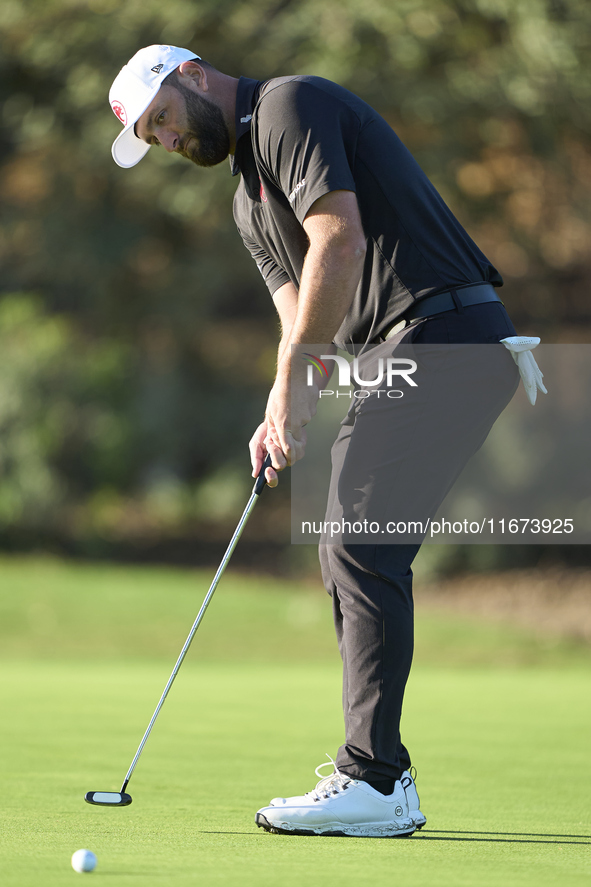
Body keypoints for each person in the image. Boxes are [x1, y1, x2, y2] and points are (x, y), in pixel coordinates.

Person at [108, 44, 540, 838]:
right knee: (348, 540)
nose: (167, 141)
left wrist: (291, 379)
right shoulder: (246, 207)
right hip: (401, 356)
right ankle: (378, 775)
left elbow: (336, 239)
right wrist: (282, 411)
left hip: (445, 331)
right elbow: (302, 327)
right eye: (153, 138)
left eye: (162, 118)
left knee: (356, 540)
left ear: (192, 75)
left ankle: (374, 778)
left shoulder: (288, 108)